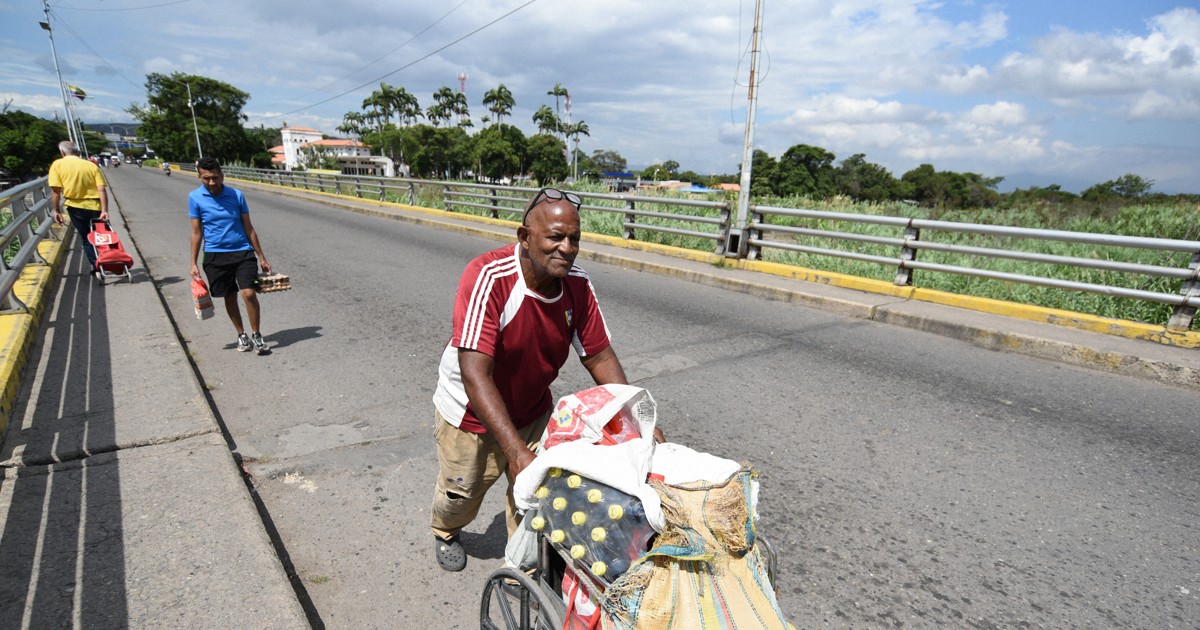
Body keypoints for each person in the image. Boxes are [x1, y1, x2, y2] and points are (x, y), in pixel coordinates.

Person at [429, 187, 630, 572]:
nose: (567, 248)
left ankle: (525, 566)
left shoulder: (577, 284)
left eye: (574, 239)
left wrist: (631, 417)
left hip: (533, 409)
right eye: (555, 237)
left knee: (536, 497)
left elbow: (599, 354)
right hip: (471, 413)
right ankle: (444, 530)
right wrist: (515, 451)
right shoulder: (489, 276)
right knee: (462, 494)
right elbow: (475, 374)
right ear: (524, 237)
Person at [188, 157, 272, 355]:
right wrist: (193, 262)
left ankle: (257, 334)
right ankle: (241, 335)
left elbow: (248, 227)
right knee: (229, 295)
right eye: (206, 178)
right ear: (199, 177)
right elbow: (196, 232)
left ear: (222, 175)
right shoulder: (195, 198)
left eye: (215, 178)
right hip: (215, 255)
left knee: (248, 293)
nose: (211, 182)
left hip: (242, 251)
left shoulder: (236, 195)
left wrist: (261, 257)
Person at [48, 140, 109, 274]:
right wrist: (104, 210)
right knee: (102, 235)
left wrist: (57, 210)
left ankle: (97, 265)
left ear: (63, 152)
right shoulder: (91, 165)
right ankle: (109, 259)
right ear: (78, 152)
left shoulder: (57, 165)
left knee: (87, 238)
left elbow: (55, 191)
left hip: (75, 206)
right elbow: (102, 190)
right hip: (96, 206)